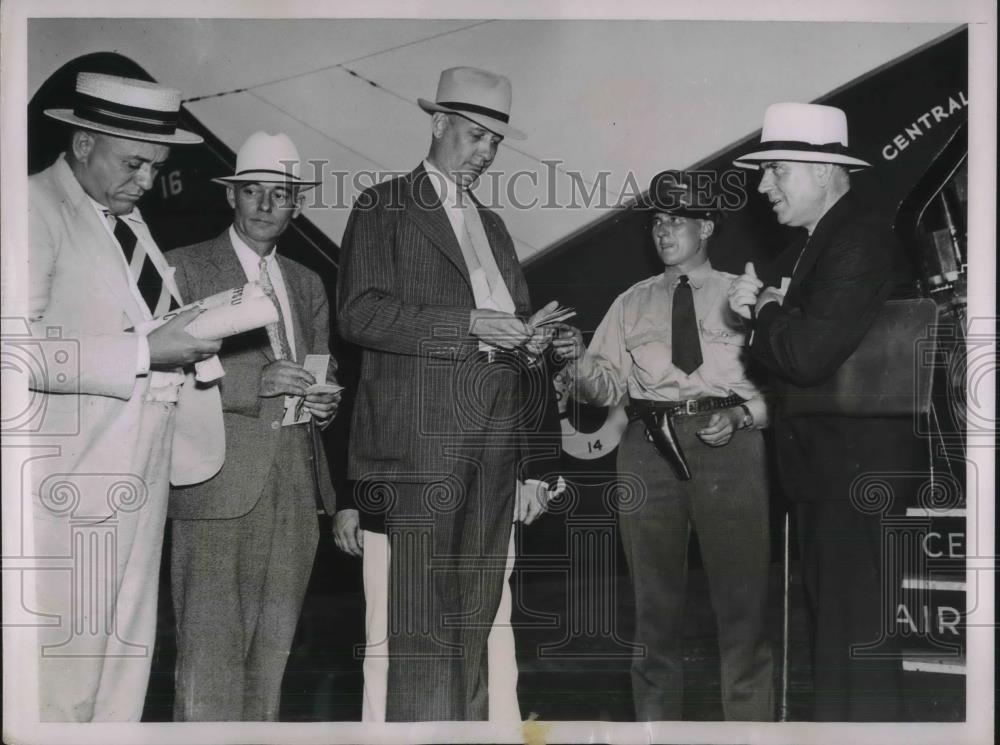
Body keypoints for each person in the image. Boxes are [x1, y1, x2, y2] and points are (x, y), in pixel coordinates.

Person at [336, 66, 571, 722]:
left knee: (475, 626)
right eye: (474, 136)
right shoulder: (382, 206)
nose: (485, 153)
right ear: (436, 124)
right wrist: (469, 323)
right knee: (419, 635)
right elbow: (359, 312)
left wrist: (530, 340)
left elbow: (510, 333)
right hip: (419, 448)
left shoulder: (493, 226)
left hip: (495, 449)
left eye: (495, 144)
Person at [27, 72, 223, 721]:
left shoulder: (125, 219)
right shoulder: (31, 209)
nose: (145, 180)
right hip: (75, 482)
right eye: (133, 162)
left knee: (123, 664)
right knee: (66, 670)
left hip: (144, 472)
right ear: (83, 142)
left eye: (154, 166)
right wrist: (145, 352)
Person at [728, 102, 924, 721]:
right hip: (828, 471)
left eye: (777, 171)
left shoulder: (858, 239)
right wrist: (773, 310)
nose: (764, 187)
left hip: (854, 472)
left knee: (854, 638)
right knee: (839, 638)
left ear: (823, 171)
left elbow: (806, 356)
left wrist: (760, 310)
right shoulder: (815, 247)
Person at [561, 171, 774, 721]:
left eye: (677, 219)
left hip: (729, 445)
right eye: (657, 220)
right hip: (646, 448)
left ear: (706, 226)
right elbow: (603, 386)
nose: (663, 229)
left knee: (742, 609)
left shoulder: (744, 296)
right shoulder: (631, 303)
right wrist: (576, 360)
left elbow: (788, 385)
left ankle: (749, 734)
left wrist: (743, 415)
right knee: (654, 613)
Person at [167, 132, 340, 721]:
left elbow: (320, 368)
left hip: (295, 482)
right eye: (253, 192)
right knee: (209, 658)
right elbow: (162, 375)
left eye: (281, 194)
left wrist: (324, 402)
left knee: (272, 659)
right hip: (218, 482)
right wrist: (253, 385)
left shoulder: (309, 282)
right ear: (232, 198)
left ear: (296, 205)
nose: (266, 205)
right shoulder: (184, 268)